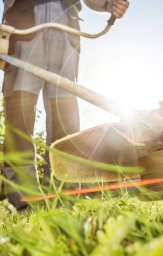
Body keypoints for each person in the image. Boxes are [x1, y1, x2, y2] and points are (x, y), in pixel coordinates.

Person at [1, 0, 129, 209]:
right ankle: (24, 203)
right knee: (19, 119)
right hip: (23, 27)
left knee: (65, 121)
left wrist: (107, 5)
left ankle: (64, 200)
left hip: (66, 29)